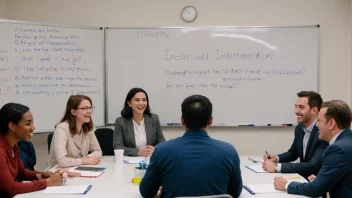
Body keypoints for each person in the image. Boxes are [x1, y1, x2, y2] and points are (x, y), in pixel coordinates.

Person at [140, 95, 243, 198]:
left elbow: (146, 192)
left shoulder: (161, 151)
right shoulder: (229, 152)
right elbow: (235, 193)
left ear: (182, 120)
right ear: (211, 120)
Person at [274, 100, 352, 198]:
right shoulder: (347, 141)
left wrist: (286, 185)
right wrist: (322, 180)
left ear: (331, 123)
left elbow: (315, 190)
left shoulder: (338, 149)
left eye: (319, 120)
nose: (316, 125)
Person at [0, 103, 65, 198]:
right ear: (12, 126)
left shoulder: (13, 145)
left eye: (32, 122)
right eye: (28, 123)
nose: (33, 127)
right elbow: (12, 189)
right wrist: (47, 182)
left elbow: (22, 173)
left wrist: (43, 175)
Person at [262, 91, 328, 179]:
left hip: (315, 184)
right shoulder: (300, 128)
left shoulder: (322, 131)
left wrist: (276, 167)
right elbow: (293, 153)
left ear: (314, 110)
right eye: (296, 107)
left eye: (301, 107)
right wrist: (276, 159)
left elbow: (313, 165)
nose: (296, 111)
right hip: (302, 179)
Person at [45, 95, 102, 170]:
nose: (89, 111)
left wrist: (86, 159)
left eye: (90, 108)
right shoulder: (62, 128)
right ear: (73, 112)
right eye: (85, 108)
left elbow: (98, 151)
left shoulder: (87, 127)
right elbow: (62, 161)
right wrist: (84, 161)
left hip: (78, 169)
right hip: (57, 172)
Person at [113, 88, 165, 156]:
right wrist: (138, 152)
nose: (141, 103)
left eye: (144, 100)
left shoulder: (154, 119)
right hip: (129, 161)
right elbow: (117, 146)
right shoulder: (120, 121)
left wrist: (154, 149)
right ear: (129, 103)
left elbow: (162, 142)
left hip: (150, 159)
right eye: (137, 100)